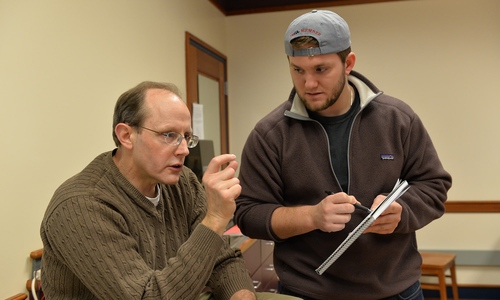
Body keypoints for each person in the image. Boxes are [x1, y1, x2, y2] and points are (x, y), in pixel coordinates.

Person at [235, 10, 452, 300]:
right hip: (306, 291)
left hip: (395, 290)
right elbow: (248, 213)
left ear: (348, 63)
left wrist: (403, 213)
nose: (308, 84)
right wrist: (311, 216)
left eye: (321, 70)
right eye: (298, 70)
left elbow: (434, 185)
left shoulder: (398, 119)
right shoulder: (270, 134)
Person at [40, 81, 299, 300]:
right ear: (126, 136)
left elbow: (221, 259)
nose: (184, 149)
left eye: (186, 136)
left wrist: (240, 294)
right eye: (168, 135)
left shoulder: (182, 181)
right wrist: (215, 220)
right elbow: (147, 296)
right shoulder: (81, 205)